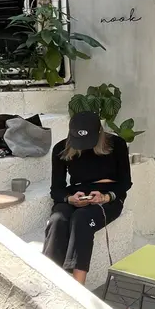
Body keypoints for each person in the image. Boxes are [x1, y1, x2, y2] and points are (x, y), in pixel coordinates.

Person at [43, 111, 132, 285]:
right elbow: (57, 189)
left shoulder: (117, 144)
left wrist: (106, 197)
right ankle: (49, 282)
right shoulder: (61, 149)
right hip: (77, 194)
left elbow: (125, 182)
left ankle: (78, 289)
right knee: (57, 219)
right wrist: (69, 199)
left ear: (99, 132)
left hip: (109, 195)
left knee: (81, 218)